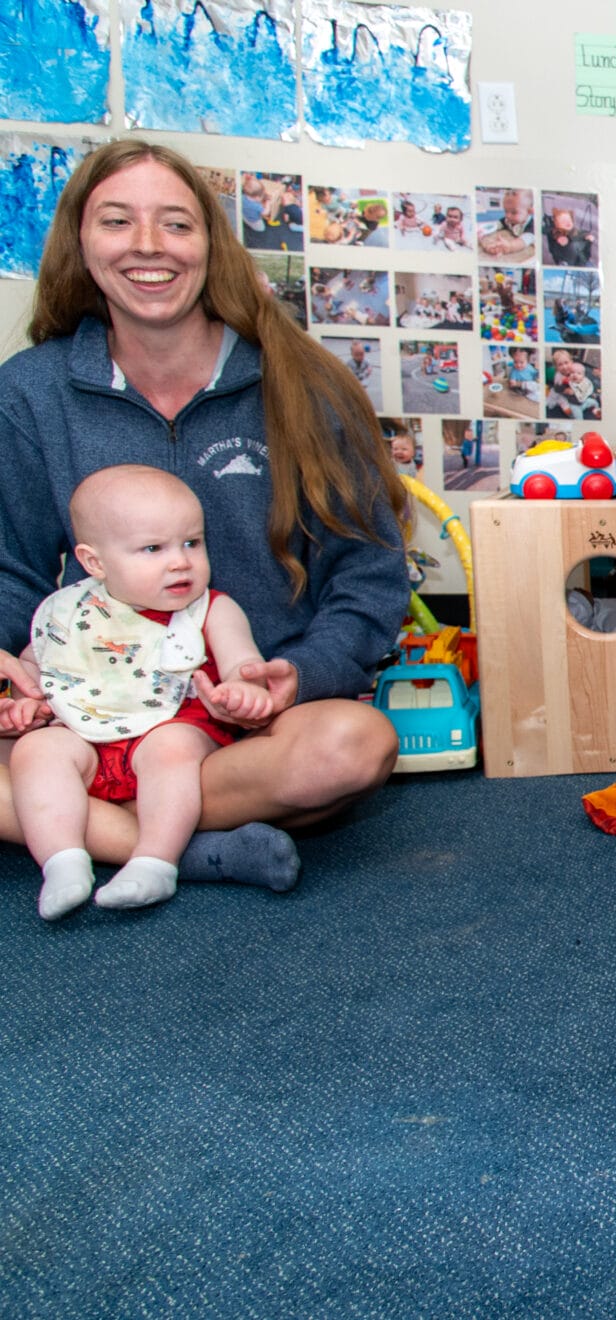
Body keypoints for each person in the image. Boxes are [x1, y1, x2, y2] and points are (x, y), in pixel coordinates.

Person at [0, 140, 412, 895]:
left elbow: (369, 571)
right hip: (84, 715)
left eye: (177, 225)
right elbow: (9, 569)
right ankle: (178, 848)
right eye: (118, 221)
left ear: (211, 246)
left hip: (244, 728)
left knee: (354, 748)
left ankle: (92, 831)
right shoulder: (31, 392)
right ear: (81, 244)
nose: (148, 246)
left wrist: (303, 674)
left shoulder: (304, 383)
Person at [3, 467, 277, 919]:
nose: (180, 561)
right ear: (94, 562)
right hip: (88, 737)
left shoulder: (211, 609)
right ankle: (62, 860)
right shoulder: (71, 612)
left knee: (169, 747)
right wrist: (27, 705)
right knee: (37, 749)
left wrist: (244, 691)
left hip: (175, 725)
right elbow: (39, 668)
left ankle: (155, 862)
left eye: (192, 542)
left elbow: (243, 666)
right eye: (154, 549)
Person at [477, 190, 536, 263]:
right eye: (506, 211)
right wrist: (483, 230)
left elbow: (522, 242)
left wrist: (510, 246)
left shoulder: (532, 226)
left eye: (514, 212)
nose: (508, 216)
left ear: (530, 211)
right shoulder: (508, 220)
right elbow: (496, 224)